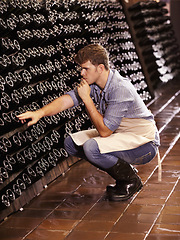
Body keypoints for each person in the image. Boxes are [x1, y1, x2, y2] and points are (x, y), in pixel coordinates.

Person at [17, 44, 160, 201]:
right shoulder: (94, 83)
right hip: (121, 135)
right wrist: (40, 113)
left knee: (91, 148)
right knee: (71, 143)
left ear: (100, 68)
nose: (81, 73)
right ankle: (124, 173)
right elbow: (67, 100)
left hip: (144, 144)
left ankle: (130, 180)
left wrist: (86, 99)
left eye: (86, 68)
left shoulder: (120, 88)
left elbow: (105, 131)